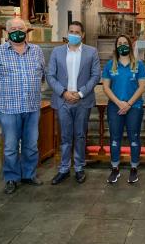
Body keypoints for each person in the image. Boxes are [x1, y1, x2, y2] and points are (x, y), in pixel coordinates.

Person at [0, 18, 45, 194]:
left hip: (32, 106)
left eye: (21, 28)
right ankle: (11, 177)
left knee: (31, 144)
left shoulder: (37, 51)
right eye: (14, 28)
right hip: (8, 107)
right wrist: (2, 89)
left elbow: (42, 75)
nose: (18, 31)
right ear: (7, 32)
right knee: (10, 145)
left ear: (27, 31)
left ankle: (28, 174)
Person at [47, 21, 101, 185]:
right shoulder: (57, 52)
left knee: (79, 135)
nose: (74, 34)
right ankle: (64, 168)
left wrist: (80, 93)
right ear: (67, 32)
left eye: (77, 32)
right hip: (63, 99)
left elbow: (95, 76)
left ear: (82, 35)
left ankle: (78, 167)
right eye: (71, 31)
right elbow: (50, 75)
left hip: (82, 100)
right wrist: (63, 92)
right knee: (64, 136)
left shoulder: (92, 52)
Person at [102, 34, 145, 184]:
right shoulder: (110, 65)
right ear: (116, 46)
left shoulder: (139, 65)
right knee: (115, 139)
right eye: (119, 43)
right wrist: (119, 103)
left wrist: (128, 104)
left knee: (134, 138)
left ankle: (134, 168)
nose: (122, 45)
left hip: (134, 107)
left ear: (130, 45)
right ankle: (115, 168)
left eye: (125, 43)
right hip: (115, 107)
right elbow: (106, 88)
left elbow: (142, 87)